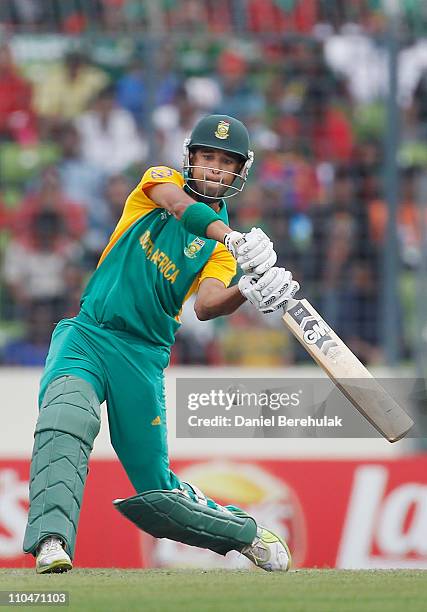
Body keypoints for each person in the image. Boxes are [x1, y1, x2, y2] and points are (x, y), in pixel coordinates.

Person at [23, 114, 299, 574]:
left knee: (160, 498)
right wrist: (232, 235)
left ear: (238, 174)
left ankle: (247, 534)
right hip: (89, 334)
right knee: (65, 414)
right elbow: (178, 207)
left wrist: (246, 291)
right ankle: (52, 541)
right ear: (190, 158)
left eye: (225, 163)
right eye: (206, 157)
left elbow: (209, 306)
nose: (213, 169)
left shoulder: (221, 251)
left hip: (143, 359)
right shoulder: (159, 183)